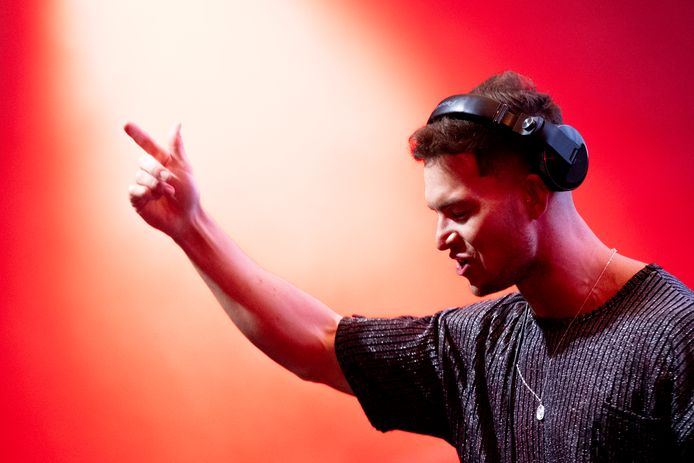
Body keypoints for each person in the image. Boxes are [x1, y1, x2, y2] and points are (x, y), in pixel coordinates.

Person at [125, 71, 693, 462]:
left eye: (460, 212)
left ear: (533, 195)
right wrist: (191, 229)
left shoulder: (675, 335)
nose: (441, 238)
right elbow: (318, 344)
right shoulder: (478, 346)